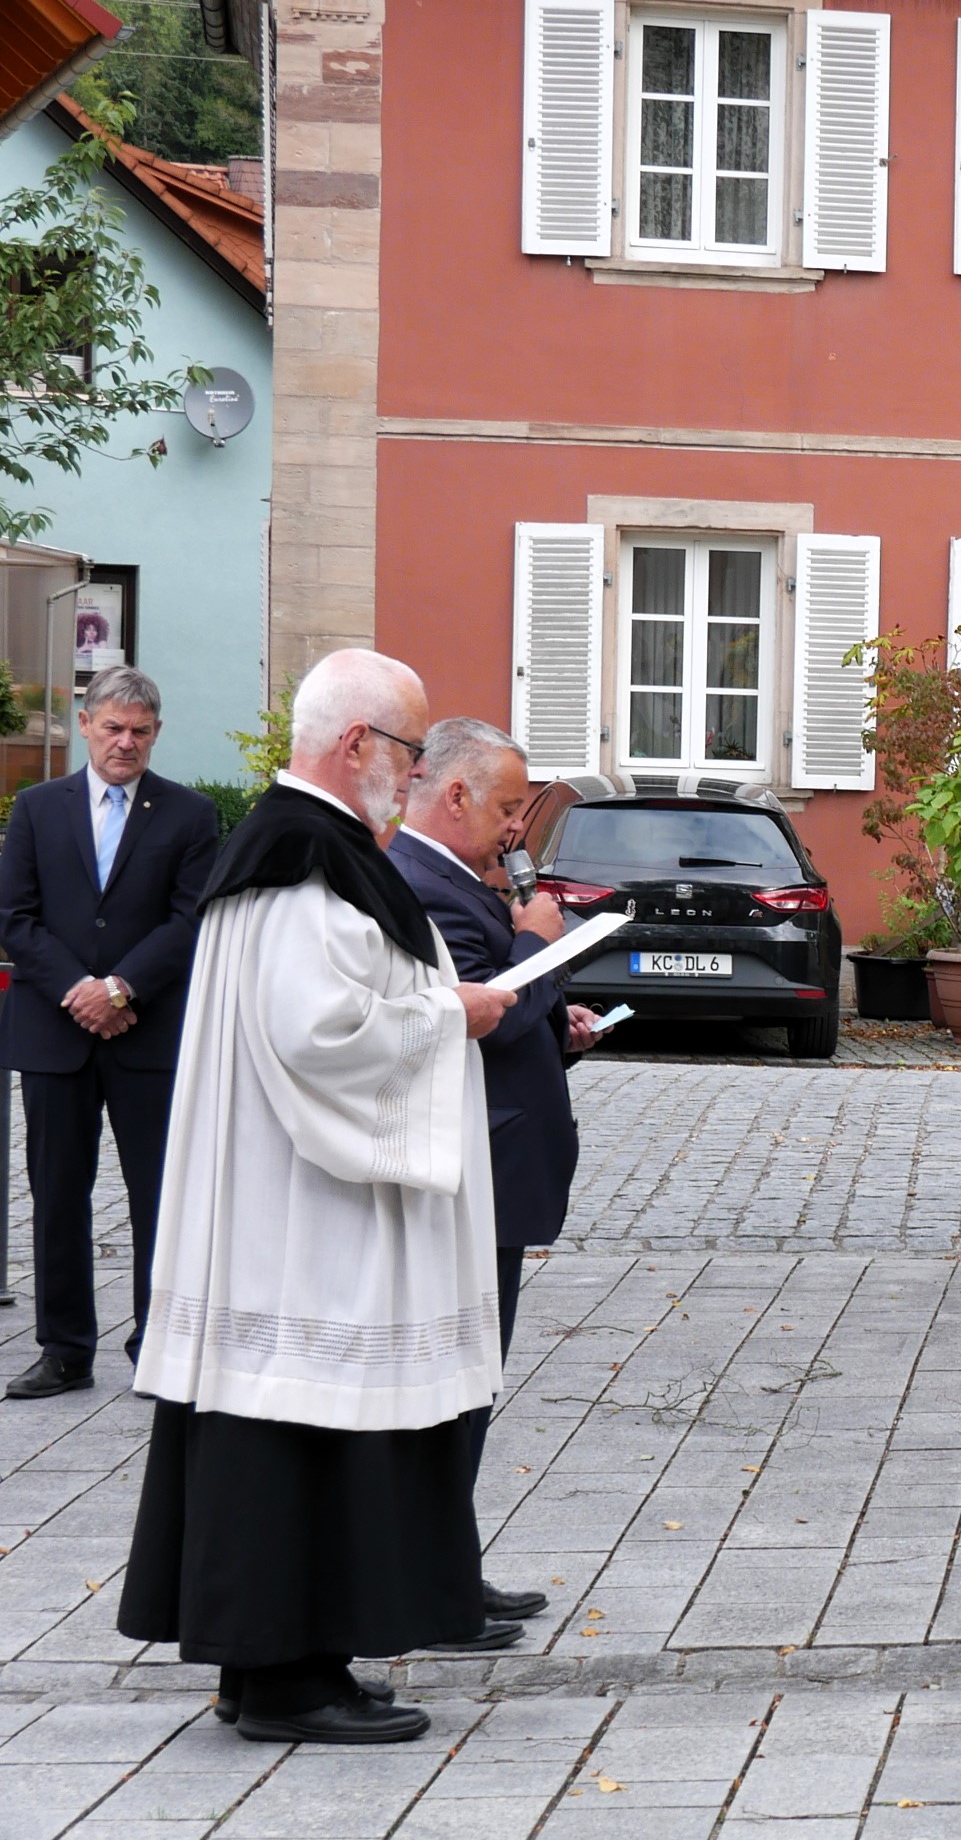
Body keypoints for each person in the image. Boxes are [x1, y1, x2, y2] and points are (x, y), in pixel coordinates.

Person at [116, 649, 518, 1743]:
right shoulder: (305, 860)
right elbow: (318, 1036)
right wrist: (454, 1020)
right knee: (305, 1424)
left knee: (286, 1431)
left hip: (283, 1202)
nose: (414, 769)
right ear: (355, 747)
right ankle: (290, 1681)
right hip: (307, 1214)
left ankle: (280, 1665)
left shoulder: (307, 850)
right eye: (407, 749)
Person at [390, 717, 599, 1630]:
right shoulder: (422, 882)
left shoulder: (453, 877)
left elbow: (515, 1020)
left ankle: (444, 1563)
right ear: (456, 793)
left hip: (501, 1156)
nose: (517, 829)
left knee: (474, 1381)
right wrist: (535, 942)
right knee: (455, 1385)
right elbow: (478, 1017)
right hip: (474, 1165)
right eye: (509, 807)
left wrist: (561, 1022)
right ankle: (430, 1583)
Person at [0, 667, 220, 1401]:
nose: (125, 742)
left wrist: (122, 988)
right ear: (85, 724)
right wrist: (82, 993)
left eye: (141, 732)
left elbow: (192, 921)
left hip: (148, 1033)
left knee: (159, 1191)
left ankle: (158, 1345)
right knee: (57, 1192)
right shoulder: (36, 808)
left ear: (156, 734)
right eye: (114, 728)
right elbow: (16, 918)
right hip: (56, 1035)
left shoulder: (189, 816)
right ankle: (64, 1351)